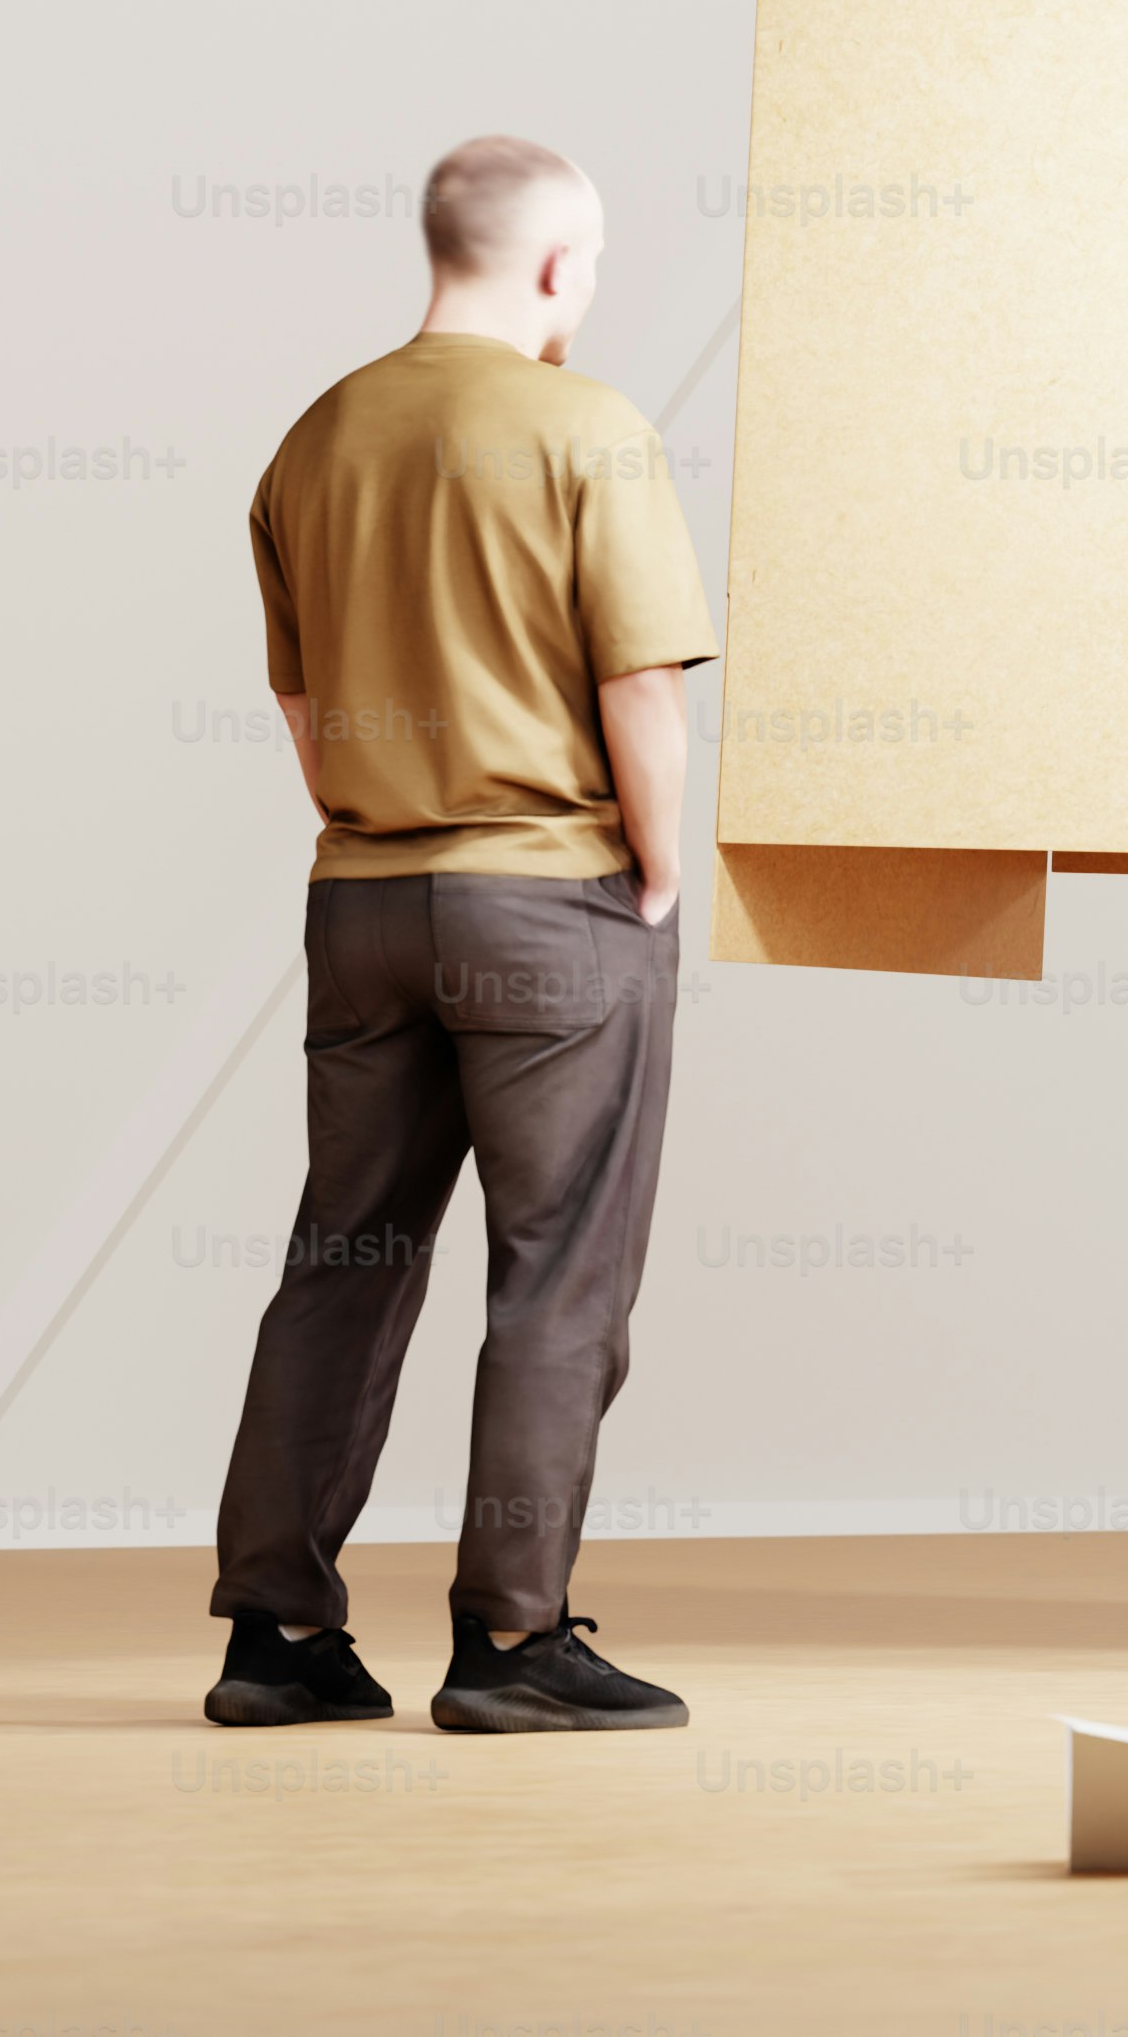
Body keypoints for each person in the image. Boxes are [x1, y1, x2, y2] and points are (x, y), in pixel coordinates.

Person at [199, 136, 717, 1736]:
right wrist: (659, 870)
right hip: (550, 898)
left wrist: (381, 818)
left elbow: (301, 701)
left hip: (361, 899)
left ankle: (276, 1641)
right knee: (559, 1274)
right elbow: (638, 684)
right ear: (559, 265)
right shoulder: (588, 427)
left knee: (343, 1260)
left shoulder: (317, 437)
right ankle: (511, 1643)